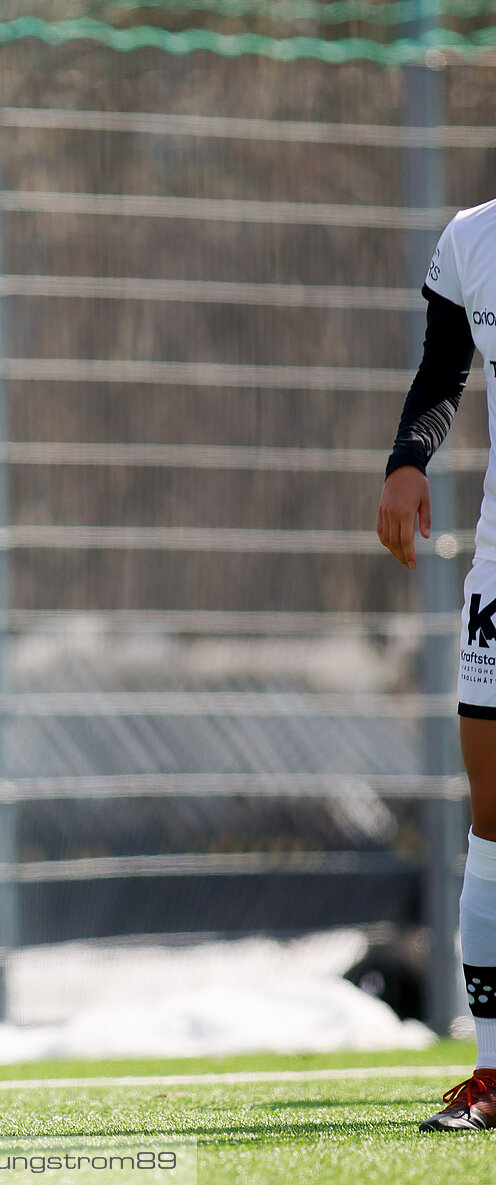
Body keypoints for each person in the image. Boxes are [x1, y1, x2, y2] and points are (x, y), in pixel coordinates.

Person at [380, 196, 496, 1132]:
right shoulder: (470, 237)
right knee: (491, 815)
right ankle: (494, 1071)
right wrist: (407, 460)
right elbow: (444, 365)